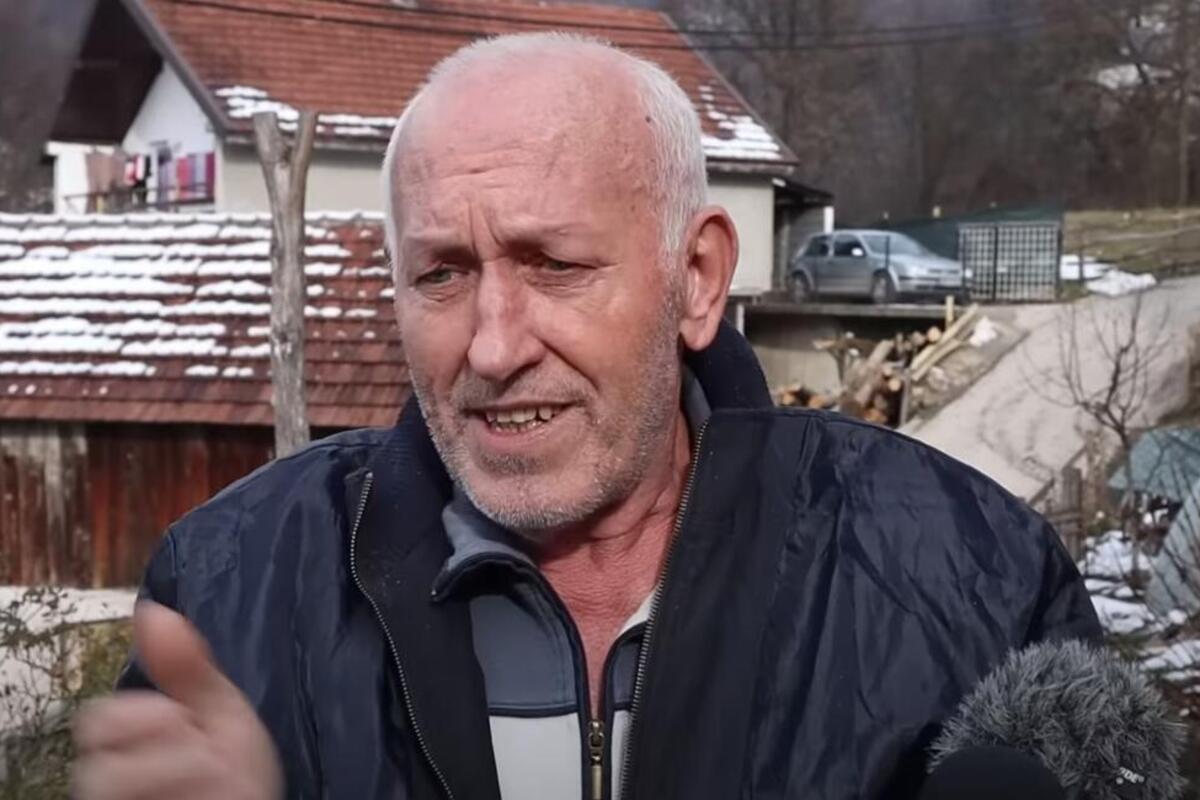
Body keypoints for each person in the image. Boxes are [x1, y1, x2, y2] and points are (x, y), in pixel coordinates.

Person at [72, 32, 1100, 800]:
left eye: (554, 265)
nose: (493, 347)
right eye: (441, 273)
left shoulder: (973, 581)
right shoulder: (235, 595)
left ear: (696, 278)